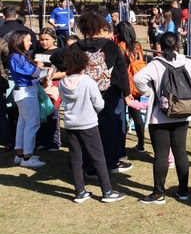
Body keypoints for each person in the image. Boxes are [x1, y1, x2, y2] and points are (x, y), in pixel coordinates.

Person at [50, 11, 132, 176]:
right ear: (101, 28)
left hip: (83, 93)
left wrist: (72, 69)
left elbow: (55, 57)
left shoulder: (76, 47)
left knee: (87, 131)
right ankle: (110, 162)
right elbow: (122, 70)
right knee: (109, 129)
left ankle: (87, 165)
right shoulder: (112, 46)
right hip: (108, 92)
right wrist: (127, 92)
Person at [133, 32, 191, 204]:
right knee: (180, 152)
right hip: (182, 113)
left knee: (161, 155)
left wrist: (150, 92)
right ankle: (183, 191)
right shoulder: (185, 61)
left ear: (160, 46)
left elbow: (137, 78)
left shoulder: (156, 64)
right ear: (177, 45)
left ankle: (158, 193)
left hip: (160, 116)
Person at [58, 45, 126, 203]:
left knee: (76, 158)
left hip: (70, 123)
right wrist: (93, 110)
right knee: (98, 157)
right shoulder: (87, 82)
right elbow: (99, 103)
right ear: (84, 64)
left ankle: (80, 192)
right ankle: (107, 191)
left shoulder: (62, 82)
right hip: (88, 123)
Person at [8, 30, 46, 168]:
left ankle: (20, 154)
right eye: (28, 40)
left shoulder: (17, 56)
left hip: (24, 92)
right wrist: (39, 68)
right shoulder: (17, 57)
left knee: (23, 123)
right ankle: (27, 156)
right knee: (32, 123)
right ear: (19, 40)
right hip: (26, 93)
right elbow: (32, 73)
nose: (31, 43)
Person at [116, 21, 147, 154]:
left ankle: (120, 144)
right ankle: (141, 143)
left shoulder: (120, 47)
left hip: (124, 84)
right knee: (136, 115)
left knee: (121, 115)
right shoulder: (137, 46)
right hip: (136, 84)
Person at [33, 27, 63, 151]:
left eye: (47, 39)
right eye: (41, 39)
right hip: (38, 86)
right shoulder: (37, 51)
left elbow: (66, 71)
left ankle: (53, 142)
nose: (44, 42)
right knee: (39, 114)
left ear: (54, 39)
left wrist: (50, 76)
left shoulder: (60, 52)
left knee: (52, 114)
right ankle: (41, 141)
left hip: (53, 87)